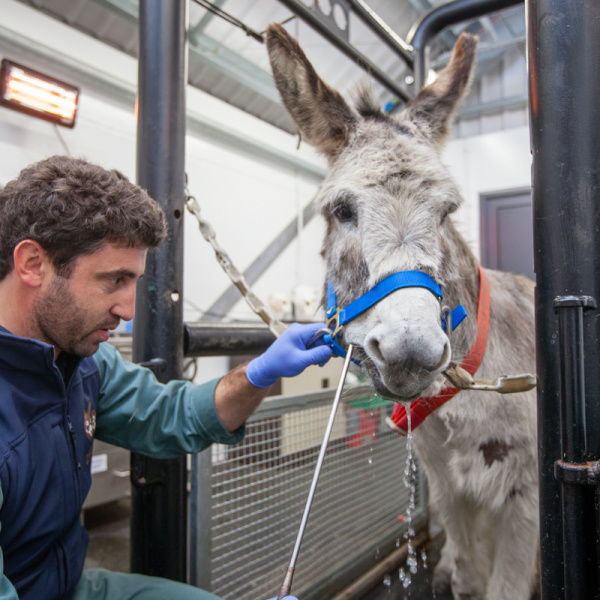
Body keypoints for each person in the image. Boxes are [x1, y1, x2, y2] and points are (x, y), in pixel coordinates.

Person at [0, 155, 332, 600]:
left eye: (133, 280)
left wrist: (258, 372)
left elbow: (168, 415)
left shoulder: (82, 362)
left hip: (70, 586)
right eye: (113, 280)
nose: (128, 310)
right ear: (33, 264)